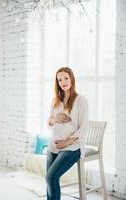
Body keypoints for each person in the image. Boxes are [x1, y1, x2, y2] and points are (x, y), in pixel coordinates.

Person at [46, 67, 88, 200]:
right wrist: (54, 119)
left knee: (51, 176)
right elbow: (49, 123)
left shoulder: (81, 100)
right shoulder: (55, 101)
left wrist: (67, 142)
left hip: (73, 145)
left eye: (66, 78)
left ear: (72, 79)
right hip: (54, 144)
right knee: (49, 180)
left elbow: (83, 128)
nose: (63, 82)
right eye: (59, 80)